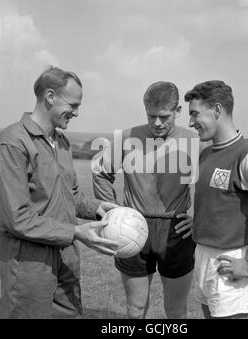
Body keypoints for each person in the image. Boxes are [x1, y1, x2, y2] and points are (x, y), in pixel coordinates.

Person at [0, 66, 119, 319]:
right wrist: (74, 232)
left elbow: (69, 195)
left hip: (65, 258)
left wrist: (97, 208)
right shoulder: (13, 142)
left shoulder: (61, 142)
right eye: (73, 105)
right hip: (27, 266)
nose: (76, 112)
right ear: (50, 96)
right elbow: (15, 218)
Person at [92, 81, 199, 319]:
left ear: (178, 111)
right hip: (133, 227)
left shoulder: (194, 140)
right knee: (135, 309)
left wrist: (198, 219)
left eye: (164, 116)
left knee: (176, 311)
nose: (157, 123)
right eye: (151, 116)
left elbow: (210, 185)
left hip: (176, 230)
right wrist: (112, 213)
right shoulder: (127, 137)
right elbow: (100, 171)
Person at [185, 80, 248, 319]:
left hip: (231, 261)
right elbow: (219, 202)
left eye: (195, 114)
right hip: (203, 256)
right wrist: (199, 223)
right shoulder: (206, 154)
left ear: (218, 110)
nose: (190, 123)